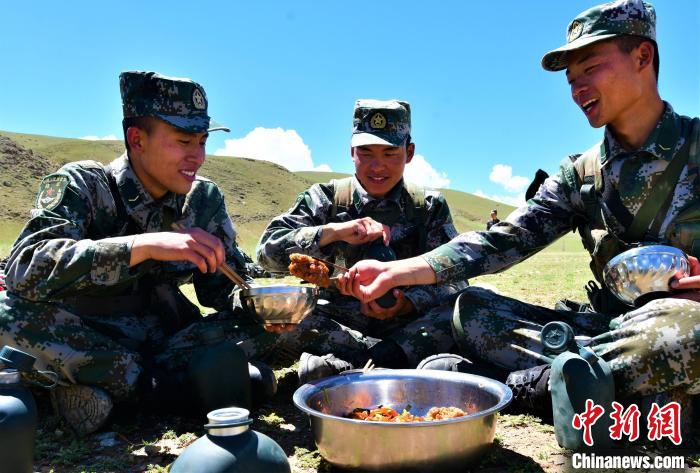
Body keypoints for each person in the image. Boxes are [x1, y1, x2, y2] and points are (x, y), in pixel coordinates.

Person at [340, 0, 699, 425]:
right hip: (612, 331)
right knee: (471, 310)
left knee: (685, 331)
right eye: (571, 79)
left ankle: (525, 387)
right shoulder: (582, 175)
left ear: (642, 56)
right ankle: (608, 387)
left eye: (590, 68)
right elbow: (501, 241)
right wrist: (398, 271)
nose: (578, 89)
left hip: (680, 327)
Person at [0, 71, 276, 435]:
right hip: (84, 338)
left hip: (166, 340)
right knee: (6, 315)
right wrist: (143, 246)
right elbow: (24, 269)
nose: (197, 157)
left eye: (202, 142)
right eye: (183, 141)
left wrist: (259, 301)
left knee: (266, 323)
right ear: (137, 139)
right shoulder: (85, 184)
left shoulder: (203, 200)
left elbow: (222, 294)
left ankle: (106, 392)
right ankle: (168, 390)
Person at [256, 99, 467, 382]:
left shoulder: (428, 206)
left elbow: (456, 278)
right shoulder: (324, 199)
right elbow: (265, 254)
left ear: (409, 152)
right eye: (366, 153)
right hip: (339, 323)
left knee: (464, 310)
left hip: (410, 324)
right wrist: (332, 232)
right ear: (351, 151)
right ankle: (389, 363)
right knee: (282, 319)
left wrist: (407, 302)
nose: (377, 166)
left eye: (390, 153)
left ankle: (347, 365)